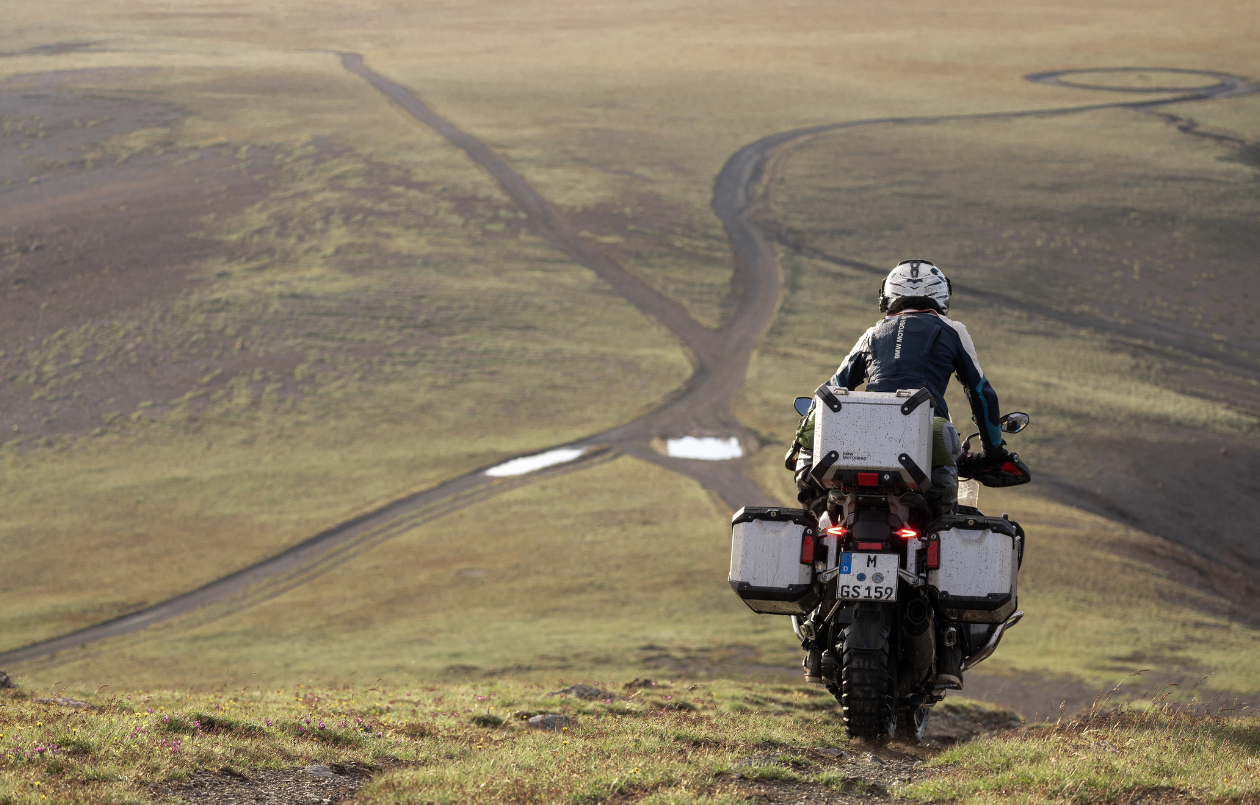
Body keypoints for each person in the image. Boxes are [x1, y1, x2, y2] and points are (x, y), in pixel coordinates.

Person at [789, 258, 1010, 522]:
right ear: (941, 294)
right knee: (942, 527)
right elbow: (982, 395)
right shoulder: (954, 330)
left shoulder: (872, 333)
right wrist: (994, 452)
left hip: (862, 444)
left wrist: (798, 445)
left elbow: (831, 389)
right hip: (929, 445)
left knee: (822, 520)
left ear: (887, 294)